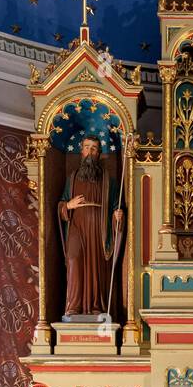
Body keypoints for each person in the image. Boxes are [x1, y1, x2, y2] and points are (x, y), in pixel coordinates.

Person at [58, 136, 123, 317]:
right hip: (77, 226)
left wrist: (117, 216)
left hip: (98, 229)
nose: (90, 151)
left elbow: (115, 206)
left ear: (99, 153)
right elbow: (61, 204)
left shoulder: (108, 181)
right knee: (73, 260)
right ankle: (73, 306)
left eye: (94, 148)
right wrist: (68, 206)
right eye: (87, 147)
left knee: (96, 266)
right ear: (81, 151)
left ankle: (96, 306)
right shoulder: (72, 178)